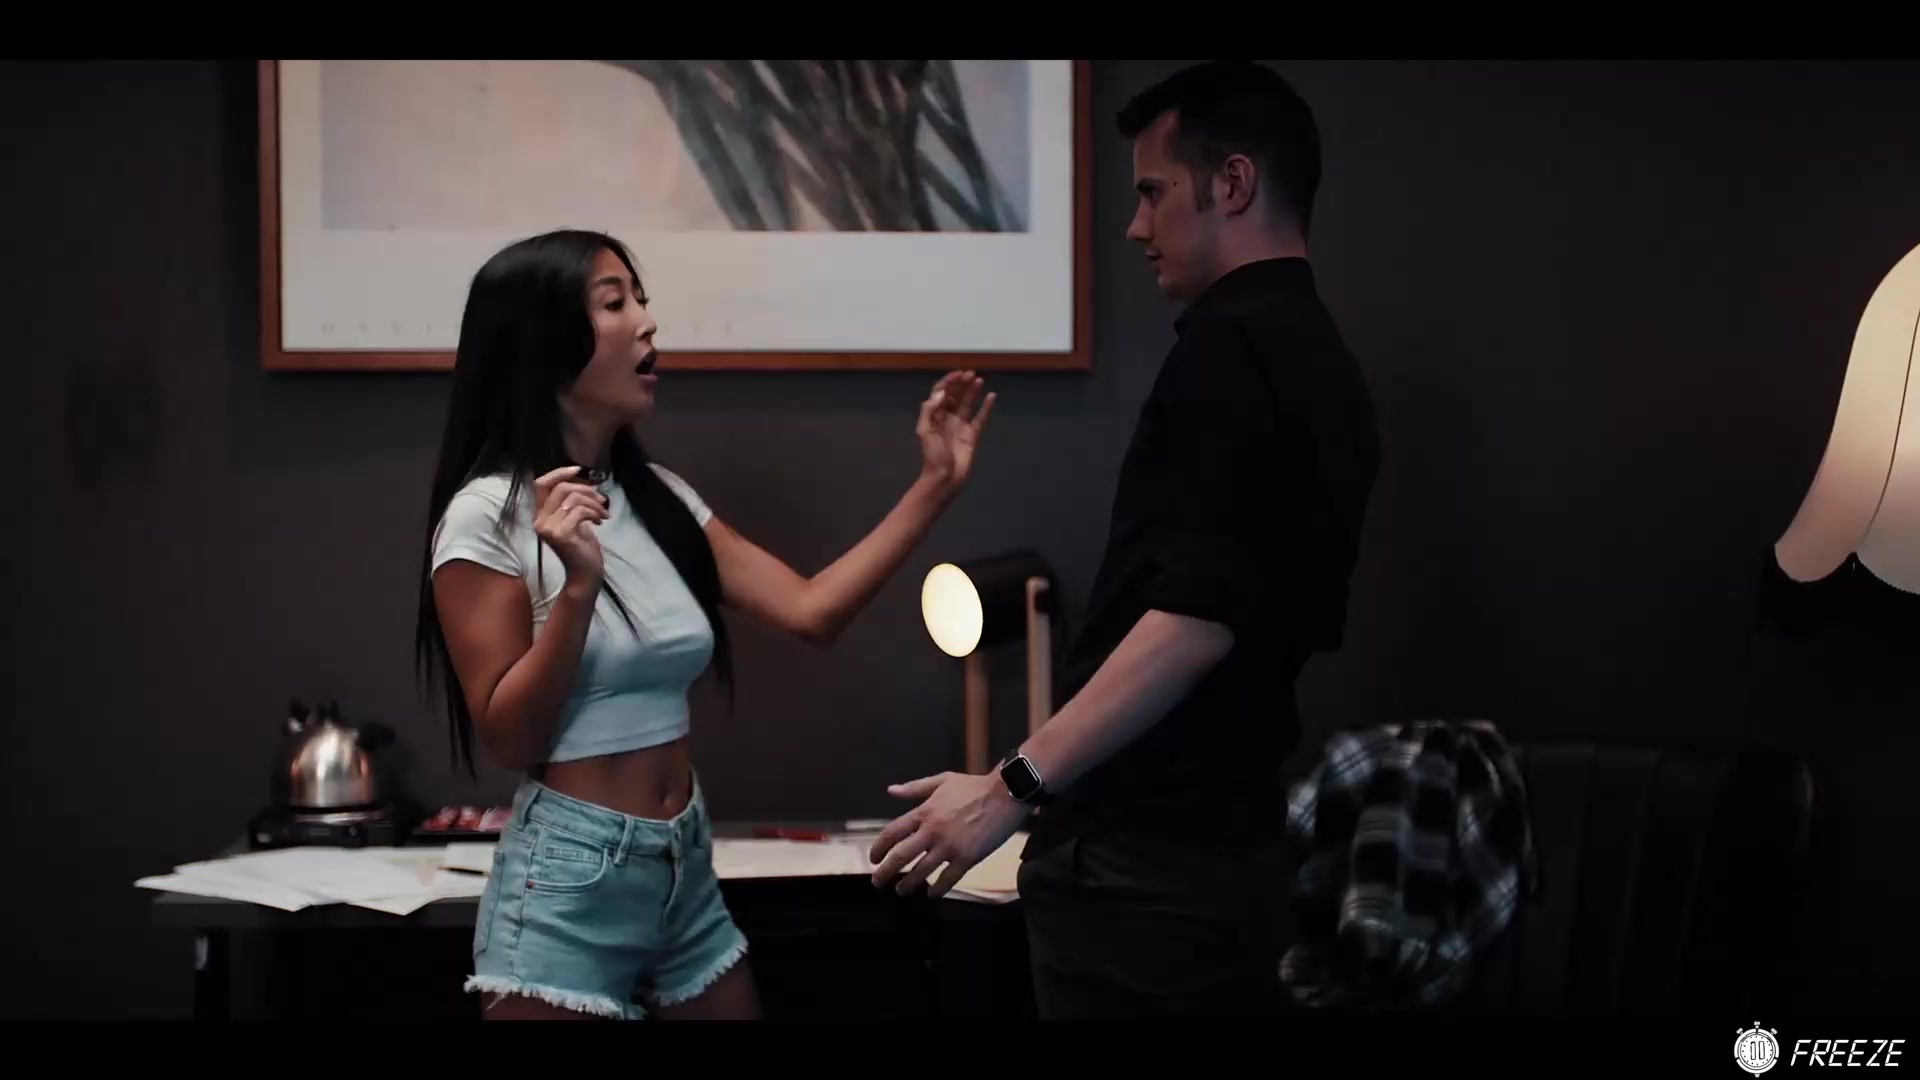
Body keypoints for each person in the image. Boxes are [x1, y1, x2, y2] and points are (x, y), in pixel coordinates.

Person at [867, 60, 1380, 1018]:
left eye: (1152, 192)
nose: (1136, 226)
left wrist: (1009, 787)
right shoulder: (1326, 366)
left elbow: (1195, 620)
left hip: (1148, 873)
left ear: (1232, 184)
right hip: (1227, 849)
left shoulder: (1232, 350)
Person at [415, 228, 994, 1021]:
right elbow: (510, 738)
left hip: (682, 862)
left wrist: (935, 486)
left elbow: (812, 611)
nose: (647, 321)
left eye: (641, 299)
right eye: (614, 303)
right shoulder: (487, 516)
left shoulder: (660, 498)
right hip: (570, 874)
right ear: (544, 342)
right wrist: (578, 588)